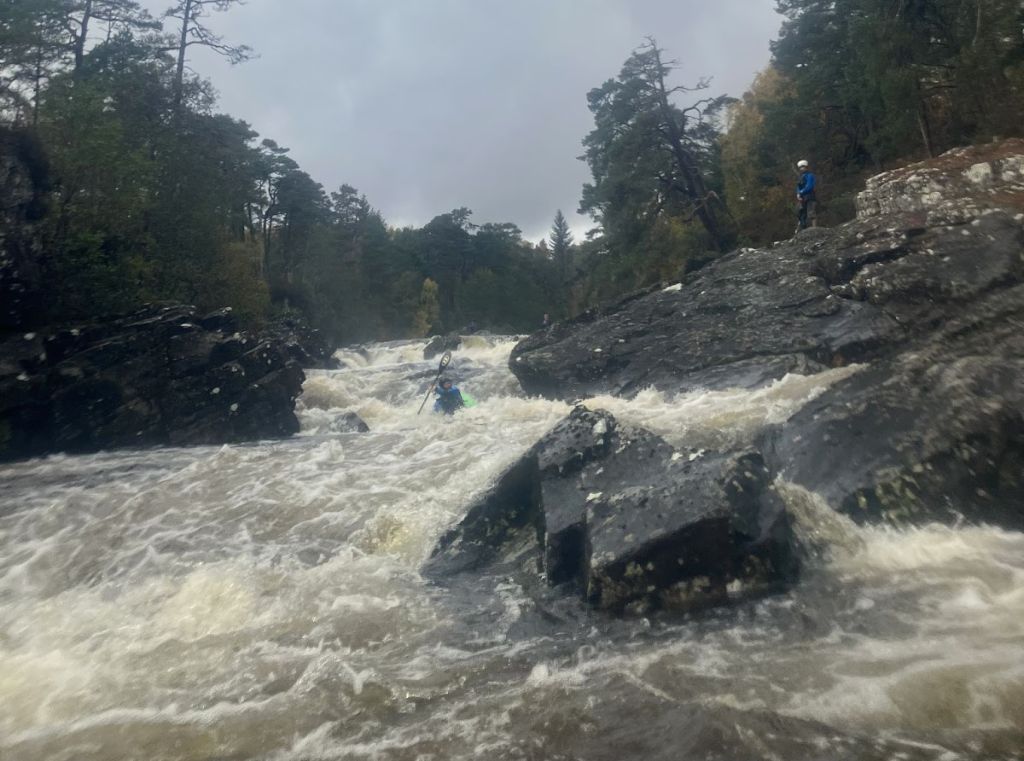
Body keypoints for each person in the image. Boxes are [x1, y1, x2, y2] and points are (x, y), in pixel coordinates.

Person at [796, 159, 817, 232]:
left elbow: (809, 186)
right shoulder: (800, 177)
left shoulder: (810, 175)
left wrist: (801, 192)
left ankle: (814, 228)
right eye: (800, 167)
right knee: (801, 213)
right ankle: (803, 229)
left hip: (810, 196)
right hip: (802, 198)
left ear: (806, 167)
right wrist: (798, 194)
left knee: (811, 212)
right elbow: (798, 187)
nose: (801, 168)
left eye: (803, 167)